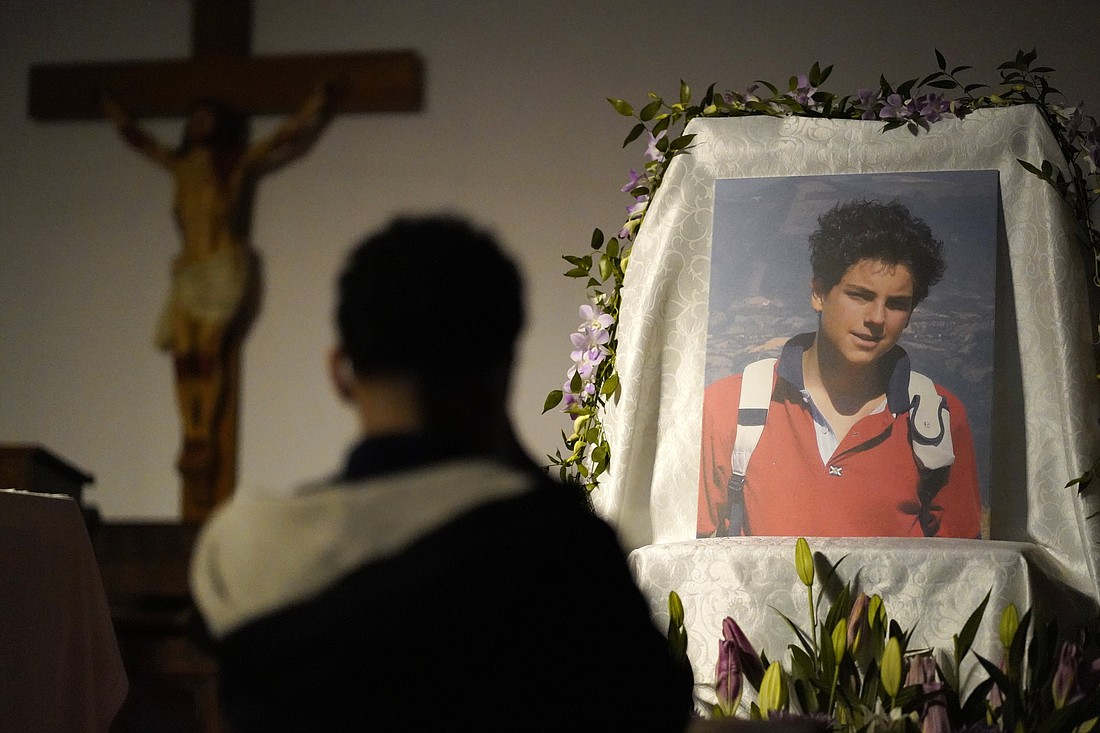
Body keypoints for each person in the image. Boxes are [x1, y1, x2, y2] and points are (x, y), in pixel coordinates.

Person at [189, 217, 694, 731]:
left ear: (341, 372)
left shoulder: (240, 553)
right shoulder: (557, 549)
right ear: (503, 371)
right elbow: (653, 709)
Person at [100, 84, 338, 502]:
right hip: (188, 271)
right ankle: (190, 434)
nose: (199, 124)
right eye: (195, 118)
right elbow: (141, 141)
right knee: (183, 353)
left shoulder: (233, 165)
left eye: (208, 118)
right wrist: (114, 112)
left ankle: (204, 431)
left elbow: (280, 140)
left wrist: (312, 109)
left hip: (223, 267)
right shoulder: (177, 164)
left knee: (208, 349)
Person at [697, 199, 982, 539]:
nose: (876, 318)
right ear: (818, 293)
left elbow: (962, 570)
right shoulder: (727, 407)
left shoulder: (940, 419)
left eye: (896, 304)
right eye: (860, 295)